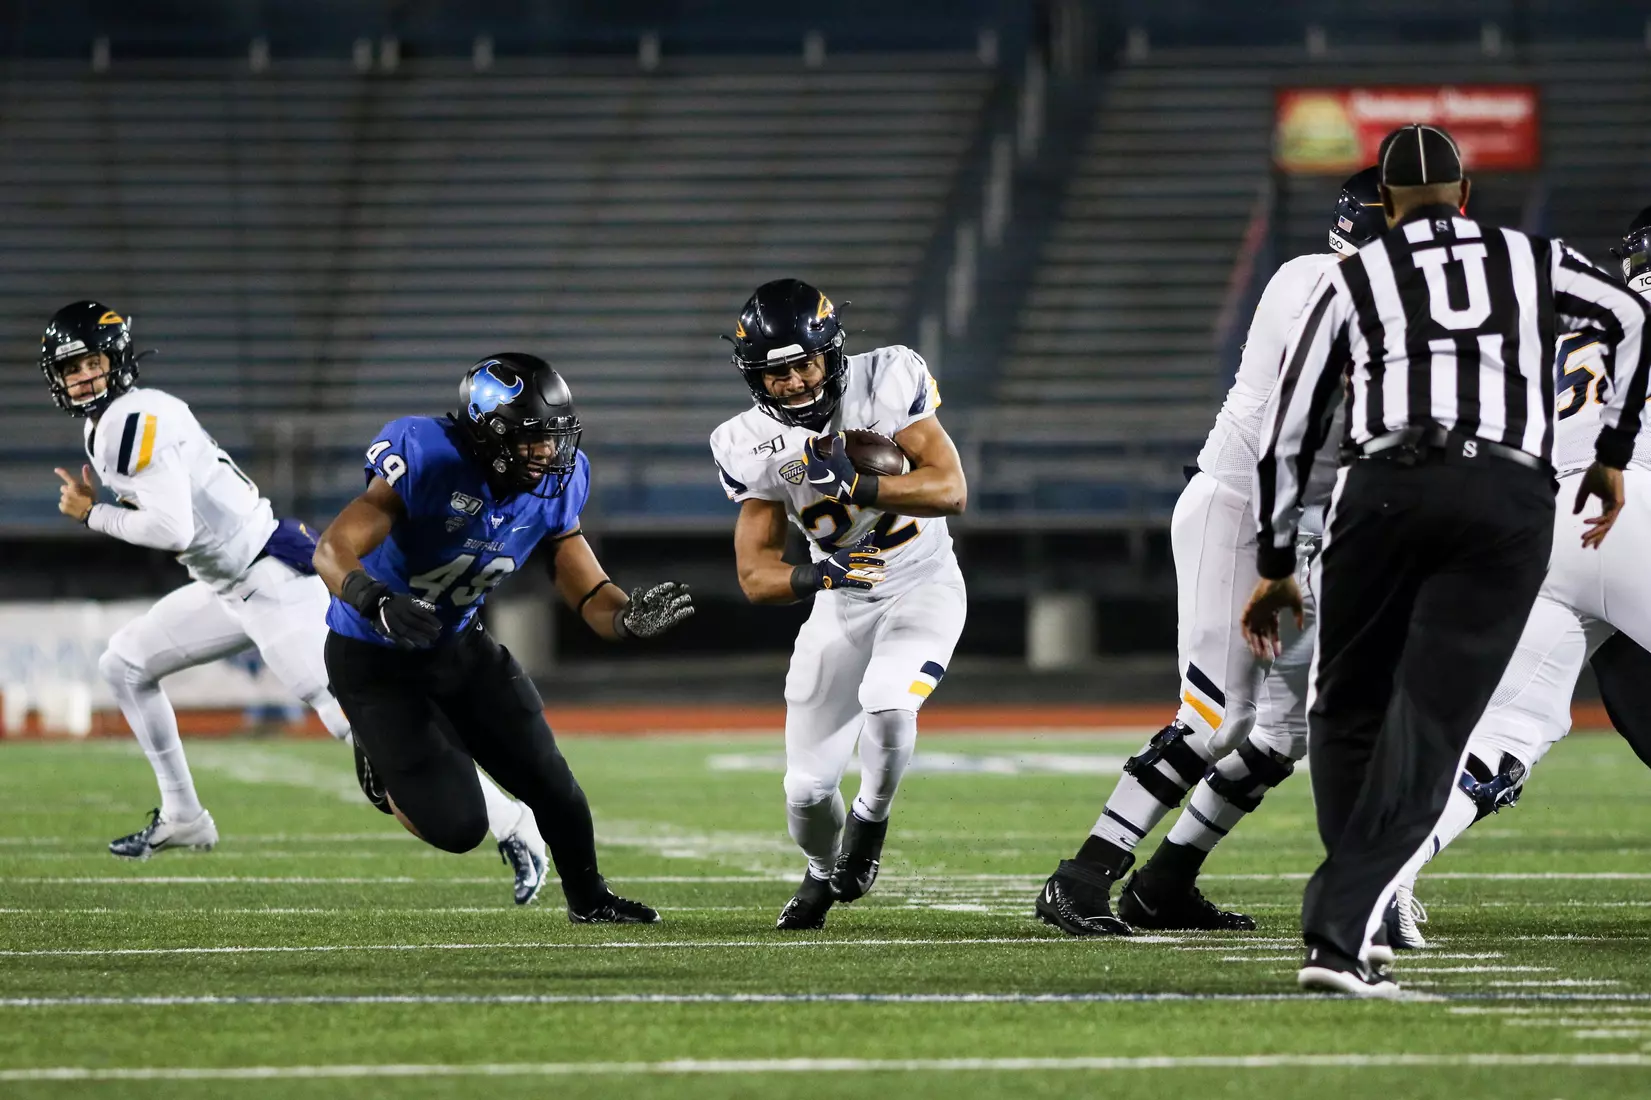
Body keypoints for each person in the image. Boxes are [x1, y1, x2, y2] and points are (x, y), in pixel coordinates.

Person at [1243, 125, 1651, 997]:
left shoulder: (1356, 274)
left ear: (1384, 206)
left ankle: (1365, 900)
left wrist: (1276, 556)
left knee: (1457, 725)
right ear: (1466, 195)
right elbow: (1628, 318)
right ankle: (1354, 905)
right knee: (1435, 720)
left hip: (1400, 492)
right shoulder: (1528, 259)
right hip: (1544, 504)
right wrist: (1617, 451)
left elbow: (1291, 422)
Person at [43, 300, 548, 904]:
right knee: (123, 664)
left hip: (272, 577)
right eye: (70, 369)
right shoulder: (116, 420)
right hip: (228, 581)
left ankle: (515, 823)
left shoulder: (131, 417)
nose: (82, 378)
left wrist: (91, 513)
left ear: (117, 360)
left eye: (91, 363)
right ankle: (184, 816)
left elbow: (172, 530)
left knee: (353, 720)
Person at [1035, 168, 1382, 936]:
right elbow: (1297, 433)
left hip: (1306, 525)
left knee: (1285, 731)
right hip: (1241, 511)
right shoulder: (1313, 287)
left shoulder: (1360, 291)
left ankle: (1165, 882)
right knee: (1214, 716)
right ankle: (1081, 875)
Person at [313, 352, 693, 923]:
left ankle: (589, 901)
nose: (549, 453)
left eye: (556, 438)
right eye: (533, 439)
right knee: (460, 827)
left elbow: (581, 578)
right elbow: (332, 551)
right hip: (374, 656)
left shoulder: (559, 482)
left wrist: (624, 616)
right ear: (487, 433)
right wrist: (377, 601)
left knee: (552, 782)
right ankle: (379, 765)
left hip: (458, 647)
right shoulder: (426, 454)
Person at [1391, 206, 1651, 941]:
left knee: (1511, 725)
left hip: (1534, 521)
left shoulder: (1574, 324)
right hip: (1625, 506)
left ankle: (1385, 877)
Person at [709, 279, 968, 930]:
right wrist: (821, 575)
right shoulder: (745, 442)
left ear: (831, 354)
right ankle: (822, 871)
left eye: (804, 365)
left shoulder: (886, 380)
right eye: (776, 373)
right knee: (804, 790)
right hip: (842, 600)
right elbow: (754, 574)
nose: (794, 382)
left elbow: (949, 489)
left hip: (921, 581)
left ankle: (870, 821)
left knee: (889, 700)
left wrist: (862, 484)